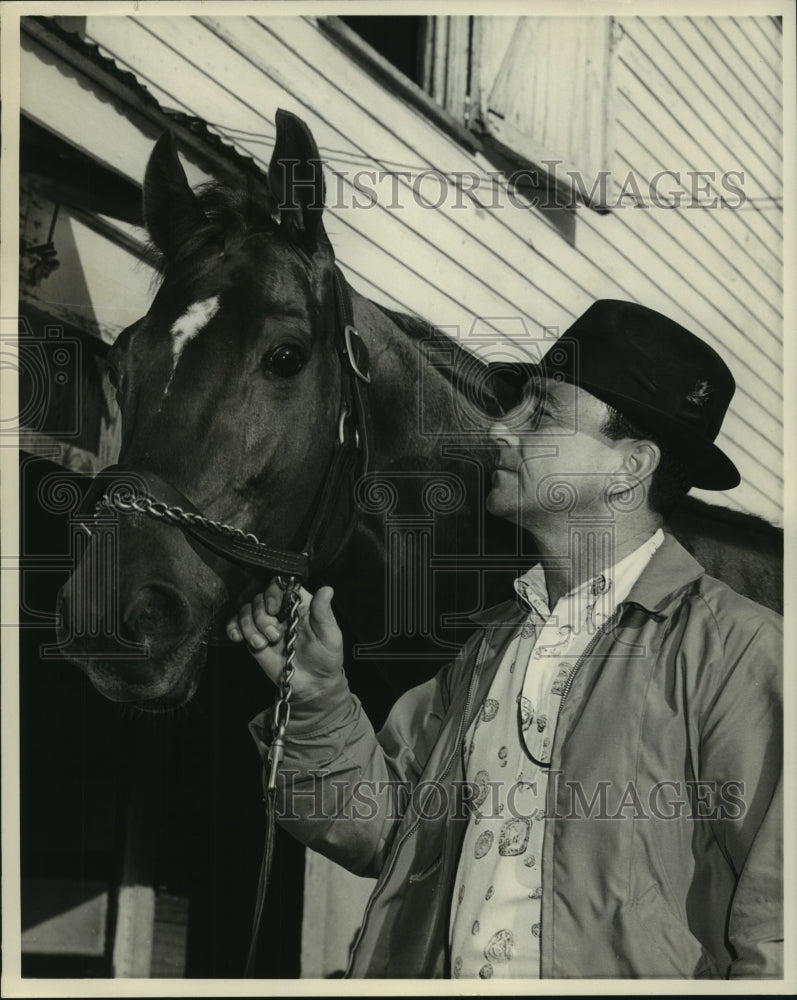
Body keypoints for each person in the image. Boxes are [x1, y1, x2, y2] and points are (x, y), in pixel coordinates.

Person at [227, 299, 782, 979]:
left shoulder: (739, 653)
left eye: (541, 413)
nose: (500, 428)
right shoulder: (487, 649)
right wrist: (315, 693)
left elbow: (779, 921)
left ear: (630, 466)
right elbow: (389, 835)